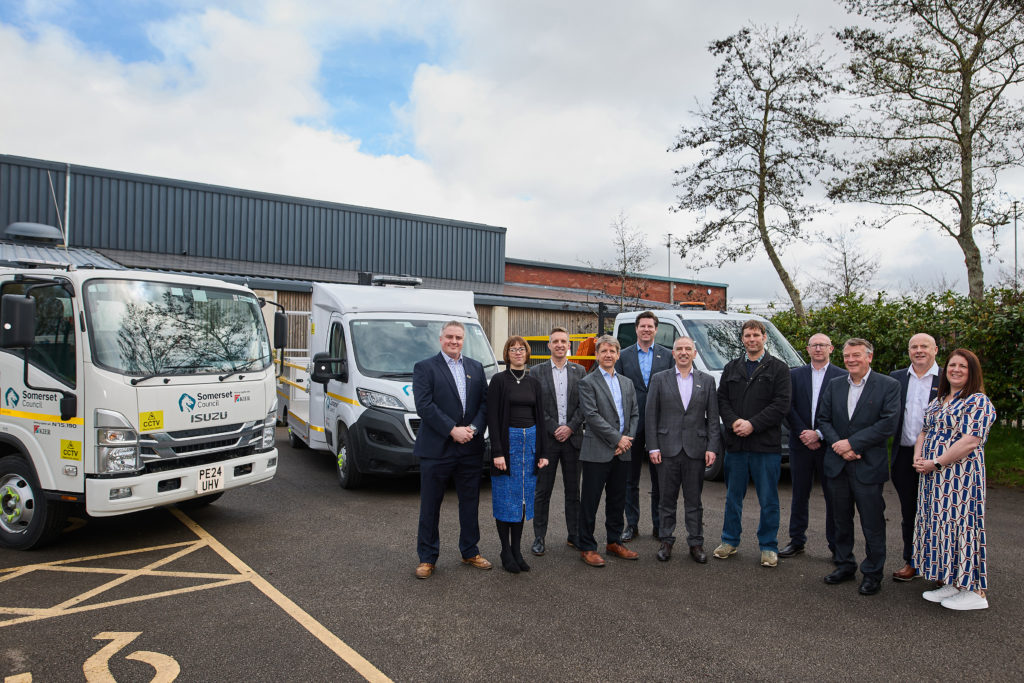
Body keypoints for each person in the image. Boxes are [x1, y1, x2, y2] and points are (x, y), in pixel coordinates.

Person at [913, 349, 996, 611]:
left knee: (963, 528)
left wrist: (937, 462)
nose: (956, 370)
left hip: (959, 478)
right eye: (952, 365)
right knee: (941, 527)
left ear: (972, 372)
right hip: (932, 477)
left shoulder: (977, 401)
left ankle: (975, 590)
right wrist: (919, 458)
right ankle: (953, 581)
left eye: (963, 366)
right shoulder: (939, 400)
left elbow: (971, 440)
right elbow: (924, 432)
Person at [818, 338, 900, 597]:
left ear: (869, 357)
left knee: (872, 523)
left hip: (868, 466)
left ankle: (873, 573)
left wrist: (853, 444)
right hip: (837, 465)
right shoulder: (834, 385)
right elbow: (823, 418)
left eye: (856, 355)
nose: (851, 360)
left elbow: (888, 424)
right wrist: (840, 446)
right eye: (847, 356)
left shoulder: (889, 385)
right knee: (840, 520)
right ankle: (844, 565)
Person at [411, 321, 492, 579]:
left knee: (470, 502)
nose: (454, 341)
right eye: (449, 337)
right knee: (430, 505)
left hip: (470, 447)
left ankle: (470, 550)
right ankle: (427, 558)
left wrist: (474, 429)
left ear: (463, 340)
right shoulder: (424, 368)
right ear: (440, 339)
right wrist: (452, 430)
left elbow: (484, 404)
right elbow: (424, 406)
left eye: (458, 337)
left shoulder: (476, 367)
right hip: (437, 449)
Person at [713, 319, 791, 568]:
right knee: (733, 498)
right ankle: (729, 541)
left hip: (765, 447)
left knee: (768, 499)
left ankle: (768, 546)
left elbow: (781, 405)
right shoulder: (731, 367)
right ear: (742, 339)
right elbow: (722, 399)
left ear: (764, 337)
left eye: (756, 335)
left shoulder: (778, 368)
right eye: (747, 335)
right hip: (736, 446)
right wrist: (734, 421)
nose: (751, 339)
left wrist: (753, 424)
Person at [646, 336, 721, 563]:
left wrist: (712, 447)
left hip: (695, 450)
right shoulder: (659, 379)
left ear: (695, 353)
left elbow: (713, 419)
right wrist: (653, 447)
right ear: (673, 353)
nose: (684, 352)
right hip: (667, 449)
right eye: (679, 349)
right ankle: (666, 541)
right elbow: (651, 416)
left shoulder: (707, 381)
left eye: (688, 348)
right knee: (666, 500)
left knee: (694, 501)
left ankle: (696, 543)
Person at [779, 333, 847, 559]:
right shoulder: (794, 375)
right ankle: (796, 540)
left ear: (831, 348)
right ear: (807, 349)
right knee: (799, 494)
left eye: (823, 345)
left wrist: (818, 434)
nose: (818, 349)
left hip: (829, 446)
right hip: (800, 445)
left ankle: (836, 546)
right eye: (814, 345)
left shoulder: (843, 377)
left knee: (833, 497)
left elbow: (842, 413)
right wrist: (804, 434)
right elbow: (787, 407)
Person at [487, 336, 549, 573]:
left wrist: (542, 452)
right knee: (506, 502)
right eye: (513, 349)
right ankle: (505, 550)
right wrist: (498, 452)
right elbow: (492, 418)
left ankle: (517, 550)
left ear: (527, 353)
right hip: (507, 446)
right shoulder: (498, 381)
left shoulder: (534, 383)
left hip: (530, 446)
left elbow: (541, 419)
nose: (517, 352)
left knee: (523, 502)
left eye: (521, 349)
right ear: (507, 354)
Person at [577, 335, 640, 567]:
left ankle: (614, 542)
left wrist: (626, 441)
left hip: (623, 451)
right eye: (603, 351)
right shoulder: (587, 382)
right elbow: (592, 416)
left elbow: (634, 414)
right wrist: (617, 439)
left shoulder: (627, 382)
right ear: (597, 355)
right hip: (597, 451)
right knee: (590, 501)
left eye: (612, 351)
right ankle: (587, 546)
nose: (608, 355)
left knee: (617, 499)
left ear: (618, 354)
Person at [616, 311, 673, 542]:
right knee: (630, 479)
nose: (646, 330)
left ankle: (659, 526)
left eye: (650, 326)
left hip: (661, 426)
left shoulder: (667, 356)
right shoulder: (624, 356)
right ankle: (632, 524)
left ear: (656, 330)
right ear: (636, 329)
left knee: (660, 479)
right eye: (642, 326)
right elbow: (617, 390)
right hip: (632, 424)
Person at [889, 333, 940, 582]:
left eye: (924, 346)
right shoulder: (897, 379)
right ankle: (913, 561)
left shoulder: (948, 379)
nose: (919, 351)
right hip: (904, 455)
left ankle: (941, 566)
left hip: (940, 460)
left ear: (935, 350)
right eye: (914, 347)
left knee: (939, 514)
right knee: (910, 512)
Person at [530, 327, 585, 556]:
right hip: (548, 441)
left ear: (569, 345)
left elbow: (585, 404)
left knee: (573, 492)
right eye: (556, 341)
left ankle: (574, 535)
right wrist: (555, 428)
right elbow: (535, 406)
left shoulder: (580, 371)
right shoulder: (536, 372)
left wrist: (571, 427)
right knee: (543, 491)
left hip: (573, 441)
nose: (560, 345)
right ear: (549, 346)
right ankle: (539, 537)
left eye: (564, 341)